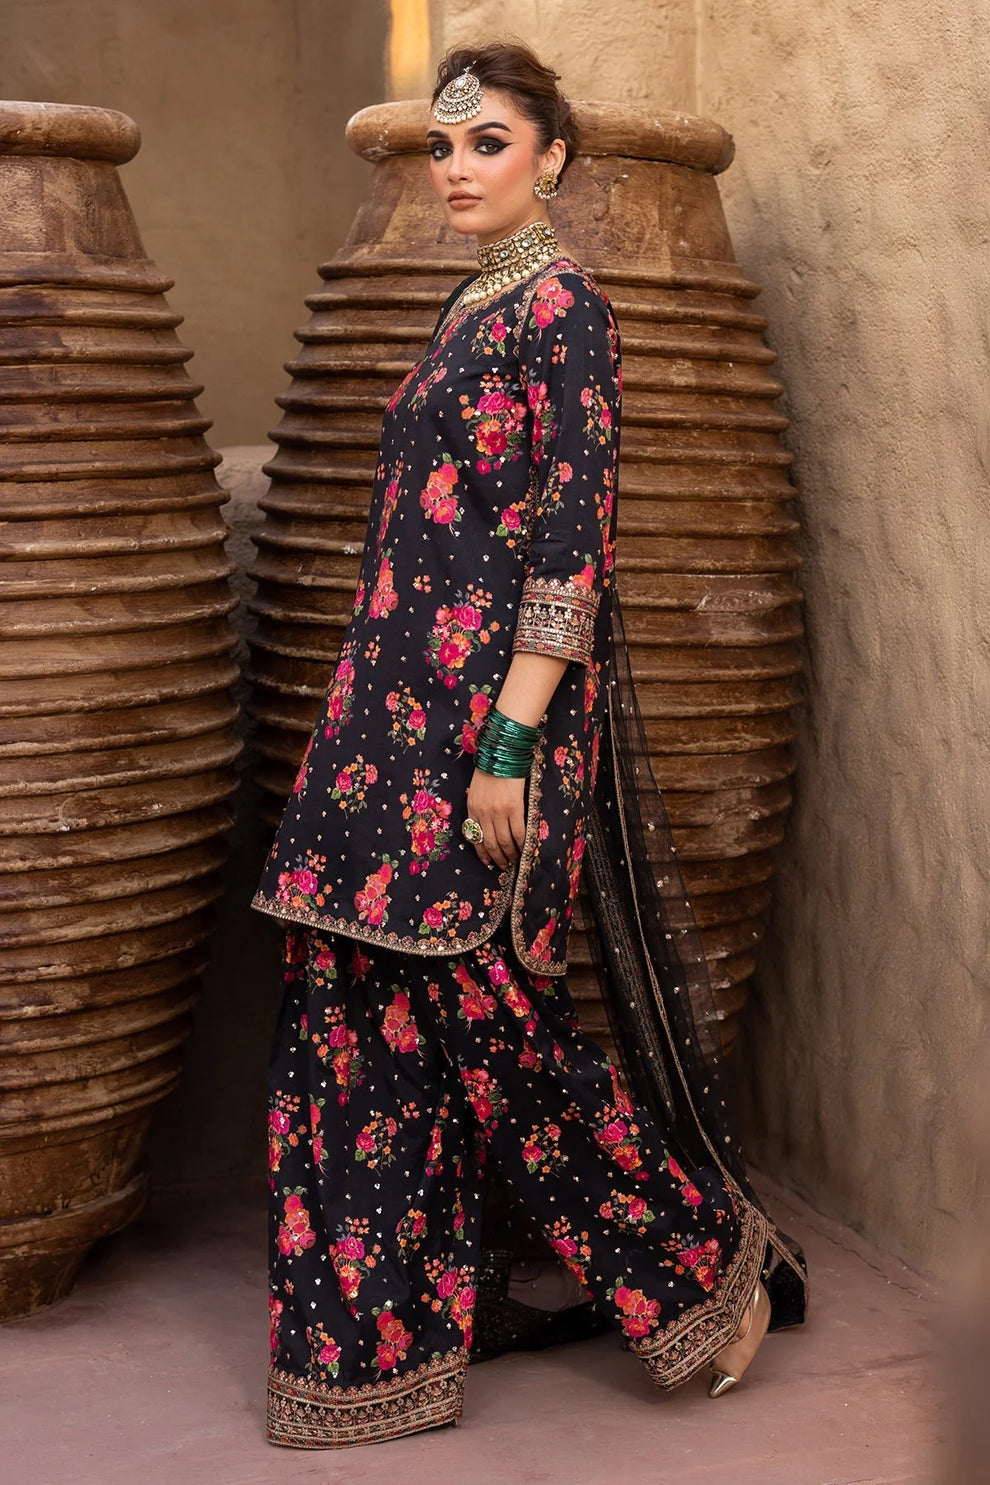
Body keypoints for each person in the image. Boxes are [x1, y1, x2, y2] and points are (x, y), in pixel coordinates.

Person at [254, 40, 809, 1450]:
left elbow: (570, 548)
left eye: (487, 142)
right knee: (356, 1012)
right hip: (381, 723)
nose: (456, 169)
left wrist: (507, 741)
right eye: (445, 147)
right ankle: (375, 1353)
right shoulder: (465, 306)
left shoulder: (568, 313)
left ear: (553, 158)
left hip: (481, 730)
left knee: (489, 1021)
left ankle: (703, 1277)